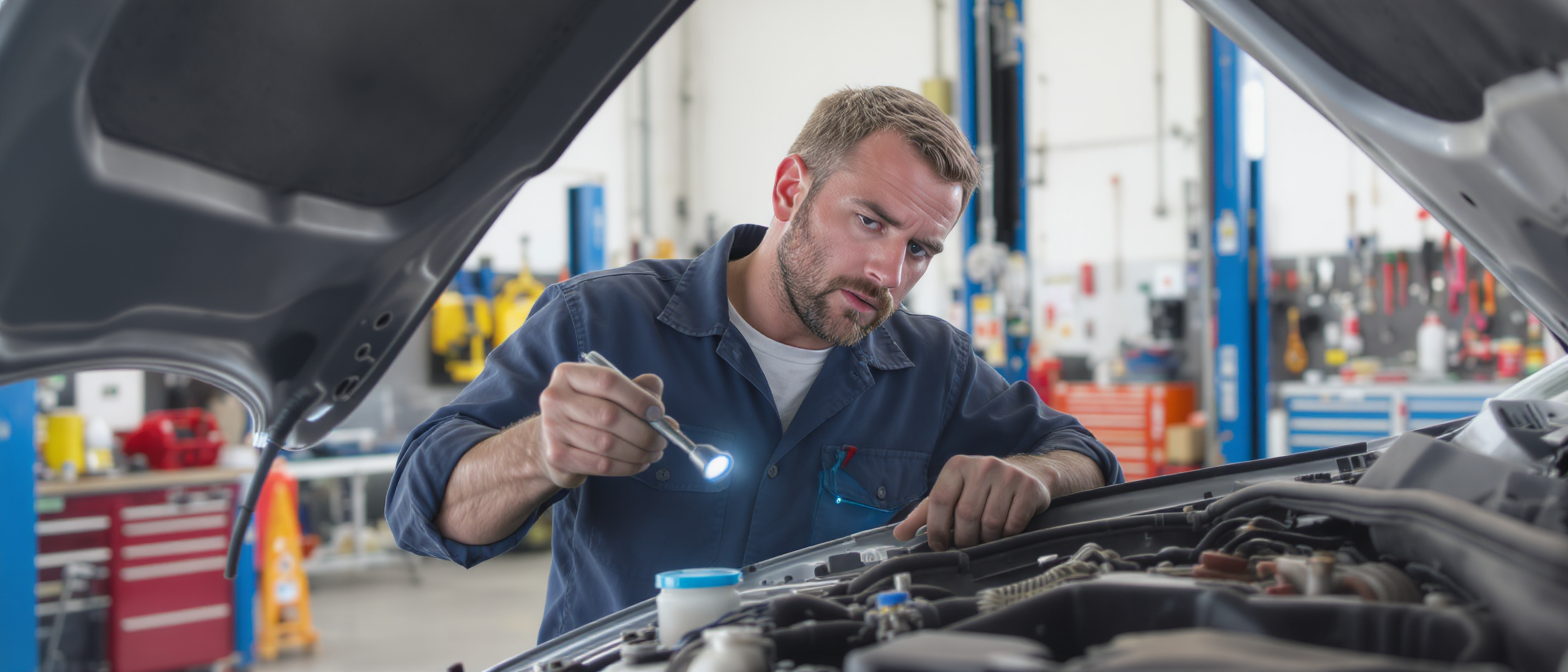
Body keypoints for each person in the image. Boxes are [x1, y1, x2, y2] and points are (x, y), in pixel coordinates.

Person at [387, 86, 1122, 641]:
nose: (888, 273)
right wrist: (538, 452)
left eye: (920, 249)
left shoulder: (933, 367)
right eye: (870, 222)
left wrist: (1037, 472)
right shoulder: (599, 320)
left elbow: (1087, 459)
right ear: (788, 189)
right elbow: (423, 511)